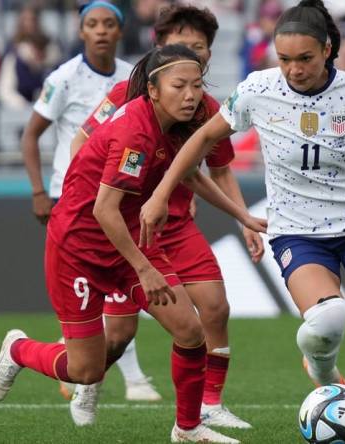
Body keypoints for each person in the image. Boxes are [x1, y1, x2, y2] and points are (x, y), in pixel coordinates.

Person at [139, 1, 345, 443]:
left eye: (304, 59)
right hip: (296, 231)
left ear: (326, 50)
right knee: (327, 319)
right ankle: (325, 371)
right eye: (284, 59)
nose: (293, 70)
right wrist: (163, 192)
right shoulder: (258, 88)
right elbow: (203, 138)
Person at [0, 44, 264, 444]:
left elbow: (189, 174)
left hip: (127, 240)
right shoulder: (135, 130)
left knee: (189, 330)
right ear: (153, 89)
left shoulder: (181, 121)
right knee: (86, 371)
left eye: (197, 85)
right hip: (78, 249)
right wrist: (144, 268)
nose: (191, 95)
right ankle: (18, 350)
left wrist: (241, 214)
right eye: (180, 86)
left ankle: (187, 429)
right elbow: (104, 210)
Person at [64, 4, 262, 430]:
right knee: (117, 336)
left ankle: (206, 405)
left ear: (208, 54)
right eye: (181, 45)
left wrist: (245, 219)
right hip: (128, 226)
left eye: (199, 47)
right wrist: (91, 198)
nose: (191, 52)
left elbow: (216, 170)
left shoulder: (208, 108)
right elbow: (84, 142)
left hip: (176, 225)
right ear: (161, 50)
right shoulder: (128, 97)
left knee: (214, 307)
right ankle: (88, 379)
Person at [19, 2, 159, 404]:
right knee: (93, 294)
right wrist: (38, 191)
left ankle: (107, 377)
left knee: (119, 302)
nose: (100, 31)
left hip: (119, 198)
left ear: (120, 31)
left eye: (109, 24)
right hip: (74, 199)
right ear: (81, 32)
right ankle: (112, 376)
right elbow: (31, 136)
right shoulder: (64, 78)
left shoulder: (134, 78)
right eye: (92, 24)